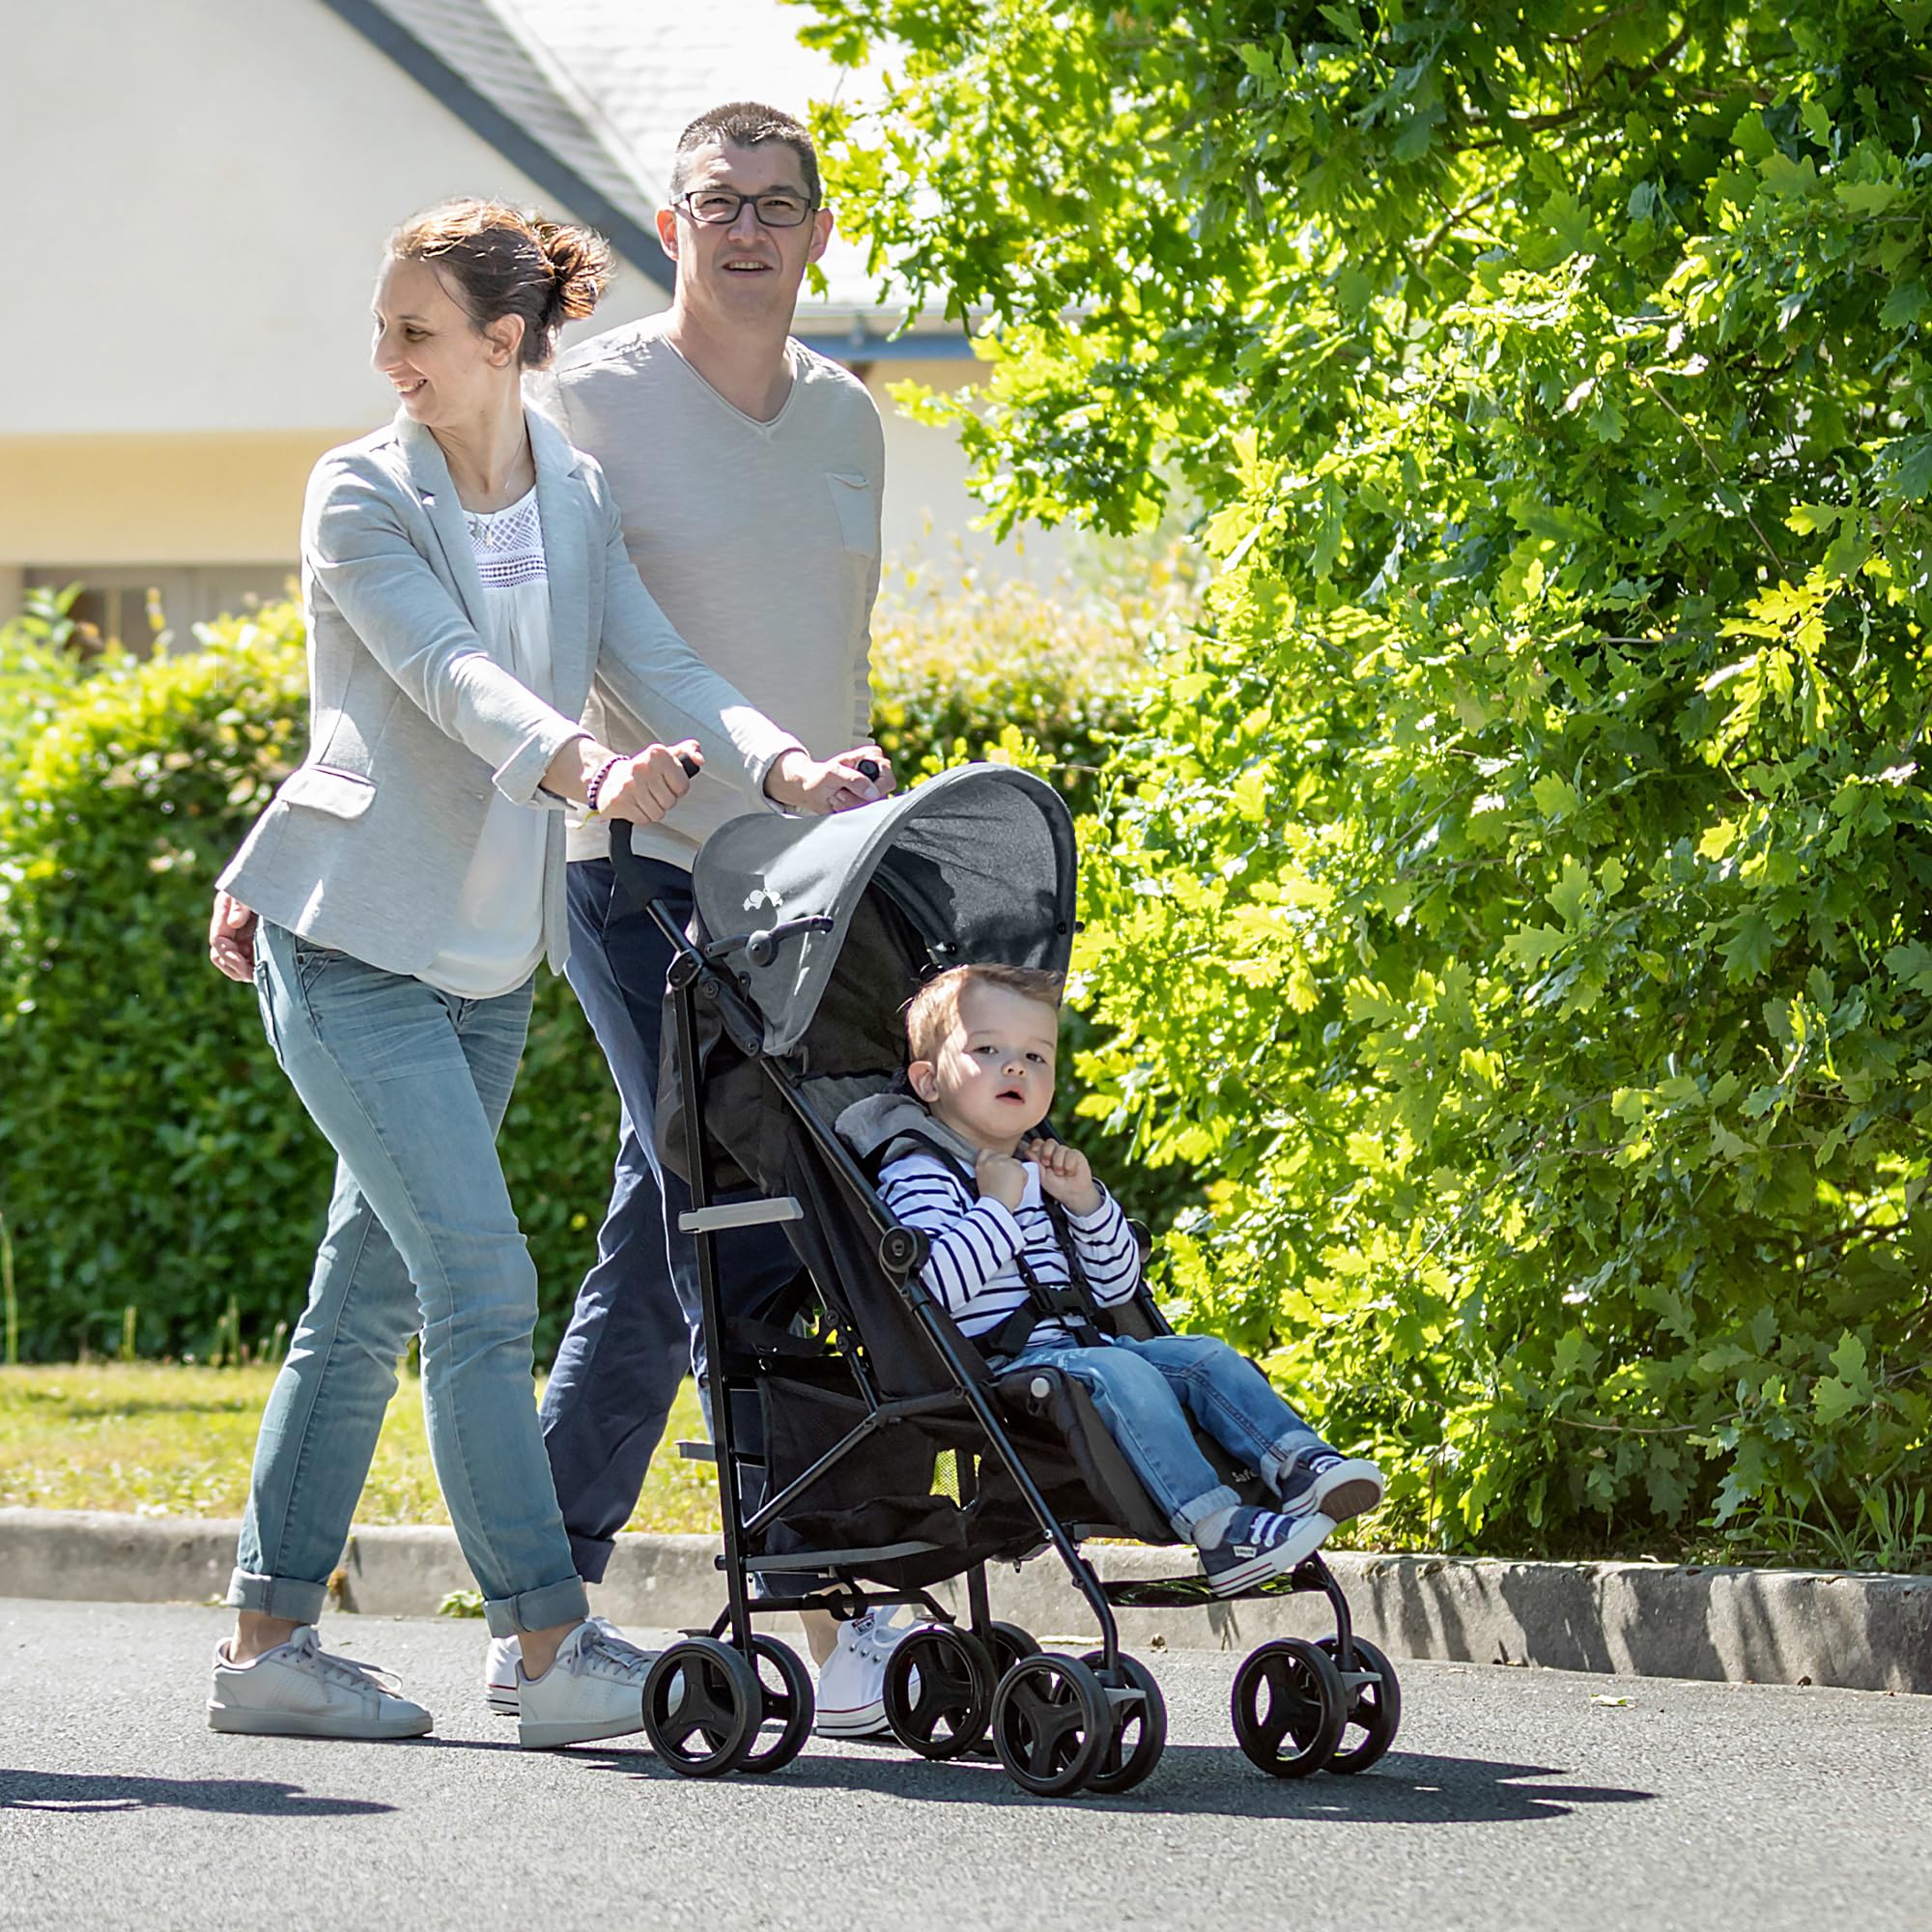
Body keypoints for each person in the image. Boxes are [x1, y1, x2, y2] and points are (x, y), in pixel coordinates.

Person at [203, 196, 872, 1749]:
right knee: (482, 1280)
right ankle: (548, 1640)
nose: (386, 358)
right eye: (384, 329)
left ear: (505, 344)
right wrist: (586, 766)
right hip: (349, 937)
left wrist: (780, 770)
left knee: (364, 1299)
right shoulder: (357, 491)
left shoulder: (569, 486)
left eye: (414, 331)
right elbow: (450, 676)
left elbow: (662, 655)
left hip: (487, 959)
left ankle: (265, 1648)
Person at [498, 100, 907, 1735]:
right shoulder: (580, 400)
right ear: (669, 229)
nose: (748, 228)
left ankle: (539, 1597)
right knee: (737, 1216)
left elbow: (830, 648)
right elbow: (552, 627)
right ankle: (833, 1596)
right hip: (640, 874)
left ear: (818, 229)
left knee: (663, 1230)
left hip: (807, 886)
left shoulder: (852, 420)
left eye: (777, 203)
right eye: (716, 202)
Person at [871, 964, 1386, 1597]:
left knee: (1202, 1357)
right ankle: (1218, 1526)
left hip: (1089, 1351)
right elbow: (936, 1296)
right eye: (988, 1050)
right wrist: (997, 1208)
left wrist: (1085, 1202)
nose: (1016, 1067)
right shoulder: (918, 1175)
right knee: (1128, 1371)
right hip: (1002, 1372)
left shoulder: (1038, 1169)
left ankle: (1298, 1467)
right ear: (927, 1080)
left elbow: (1115, 1290)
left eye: (1036, 1055)